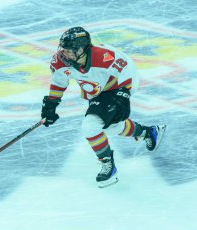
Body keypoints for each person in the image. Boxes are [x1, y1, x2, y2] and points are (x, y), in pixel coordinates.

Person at [41, 26, 166, 188]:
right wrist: (51, 105)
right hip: (97, 90)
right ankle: (148, 132)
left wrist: (124, 95)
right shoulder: (60, 61)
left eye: (70, 50)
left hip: (118, 87)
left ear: (82, 49)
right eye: (63, 49)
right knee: (111, 126)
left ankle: (108, 164)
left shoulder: (104, 57)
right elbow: (58, 83)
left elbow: (128, 70)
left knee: (90, 126)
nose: (65, 54)